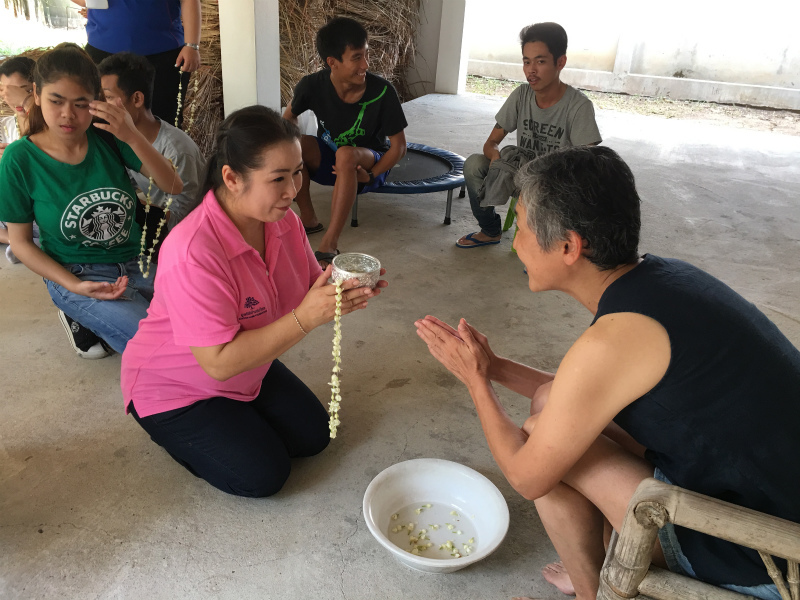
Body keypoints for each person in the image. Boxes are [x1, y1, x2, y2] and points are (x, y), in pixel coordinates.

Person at [416, 146, 800, 600]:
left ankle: (590, 593)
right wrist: (495, 367)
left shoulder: (610, 341)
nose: (515, 242)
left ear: (569, 246)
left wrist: (476, 382)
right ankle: (594, 566)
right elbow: (576, 394)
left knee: (540, 438)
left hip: (766, 552)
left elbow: (526, 477)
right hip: (763, 497)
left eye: (521, 227)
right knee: (549, 404)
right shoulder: (663, 280)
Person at [120, 105, 387, 497]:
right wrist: (304, 318)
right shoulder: (193, 251)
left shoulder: (283, 221)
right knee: (264, 476)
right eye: (278, 178)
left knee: (314, 437)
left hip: (247, 368)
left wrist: (343, 290)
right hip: (177, 386)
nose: (293, 190)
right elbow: (217, 362)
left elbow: (308, 285)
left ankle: (237, 415)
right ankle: (170, 431)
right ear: (232, 178)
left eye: (297, 172)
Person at [0, 43, 183, 359]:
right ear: (36, 94)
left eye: (81, 103)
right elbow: (21, 243)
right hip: (76, 271)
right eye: (56, 100)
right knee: (162, 346)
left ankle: (97, 321)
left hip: (135, 262)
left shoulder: (108, 138)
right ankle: (78, 311)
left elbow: (173, 185)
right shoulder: (19, 159)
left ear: (96, 102)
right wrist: (73, 285)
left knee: (204, 320)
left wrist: (131, 135)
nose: (68, 114)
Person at [456, 22, 601, 249]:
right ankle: (490, 230)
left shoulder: (578, 106)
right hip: (519, 174)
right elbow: (491, 142)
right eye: (526, 61)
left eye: (540, 62)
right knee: (474, 164)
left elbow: (589, 168)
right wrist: (496, 159)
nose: (531, 70)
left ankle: (550, 242)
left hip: (554, 186)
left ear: (560, 62)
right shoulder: (521, 95)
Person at [282, 16, 408, 267]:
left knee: (346, 154)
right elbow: (288, 118)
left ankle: (329, 244)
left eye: (366, 54)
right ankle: (308, 219)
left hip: (370, 163)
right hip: (331, 160)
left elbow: (399, 147)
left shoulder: (382, 91)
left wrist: (372, 175)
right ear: (332, 62)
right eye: (357, 57)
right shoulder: (311, 85)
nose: (365, 64)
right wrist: (290, 148)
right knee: (297, 144)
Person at [98, 51, 204, 259]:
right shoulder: (120, 138)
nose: (101, 106)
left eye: (108, 98)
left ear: (137, 99)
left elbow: (185, 218)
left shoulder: (176, 150)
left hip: (184, 242)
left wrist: (133, 212)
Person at [70, 0, 201, 127]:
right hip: (102, 49)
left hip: (163, 52)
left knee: (163, 119)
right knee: (100, 119)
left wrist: (192, 45)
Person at [0, 55, 39, 263]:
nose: (13, 99)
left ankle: (22, 241)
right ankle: (15, 240)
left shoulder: (49, 124)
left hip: (37, 205)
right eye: (6, 91)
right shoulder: (4, 126)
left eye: (24, 90)